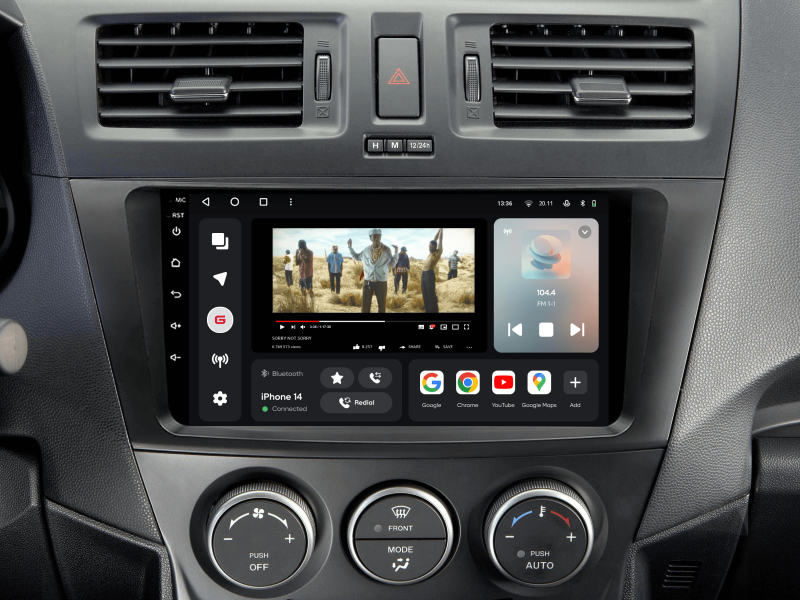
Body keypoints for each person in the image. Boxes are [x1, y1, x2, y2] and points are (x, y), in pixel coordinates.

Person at [348, 229, 397, 313]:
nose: (376, 238)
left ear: (381, 237)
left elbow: (392, 264)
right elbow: (357, 257)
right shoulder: (366, 250)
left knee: (382, 306)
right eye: (374, 236)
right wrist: (350, 247)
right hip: (368, 282)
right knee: (365, 306)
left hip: (381, 282)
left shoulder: (387, 250)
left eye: (378, 236)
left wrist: (396, 253)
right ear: (370, 238)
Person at [421, 228, 443, 313]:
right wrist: (439, 230)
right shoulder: (430, 253)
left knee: (431, 295)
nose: (430, 247)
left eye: (431, 246)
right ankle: (428, 311)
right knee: (425, 294)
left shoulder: (437, 253)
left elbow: (439, 240)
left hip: (429, 275)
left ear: (435, 247)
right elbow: (435, 239)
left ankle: (434, 311)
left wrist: (442, 230)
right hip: (423, 274)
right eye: (429, 246)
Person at [295, 240, 314, 308]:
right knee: (302, 290)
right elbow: (297, 263)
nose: (301, 249)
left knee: (310, 290)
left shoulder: (310, 252)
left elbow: (307, 263)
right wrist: (296, 254)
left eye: (302, 247)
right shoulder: (299, 252)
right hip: (301, 275)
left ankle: (312, 306)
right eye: (300, 248)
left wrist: (302, 255)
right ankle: (304, 305)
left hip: (308, 275)